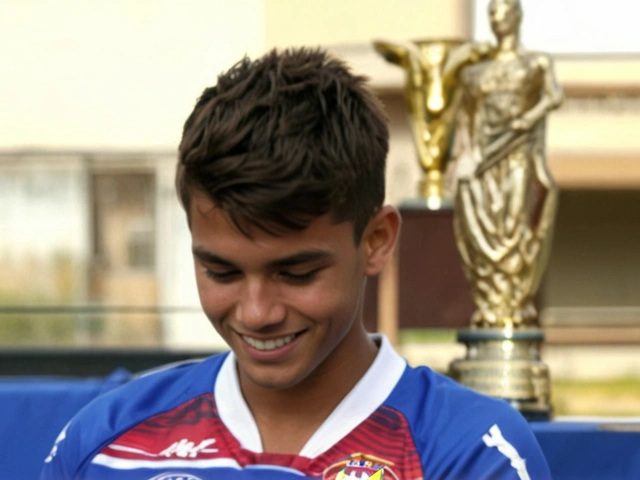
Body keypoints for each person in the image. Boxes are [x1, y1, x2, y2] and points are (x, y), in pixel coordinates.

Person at [41, 47, 551, 480]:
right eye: (222, 272)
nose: (257, 312)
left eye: (296, 274)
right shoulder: (104, 442)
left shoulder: (468, 453)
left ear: (376, 240)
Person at [453, 0, 563, 328]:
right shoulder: (475, 73)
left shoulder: (536, 64)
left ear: (517, 16)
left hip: (517, 156)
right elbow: (467, 120)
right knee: (482, 229)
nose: (497, 19)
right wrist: (466, 158)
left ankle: (513, 306)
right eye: (491, 14)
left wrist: (528, 117)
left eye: (502, 12)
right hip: (485, 160)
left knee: (514, 224)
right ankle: (490, 305)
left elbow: (554, 96)